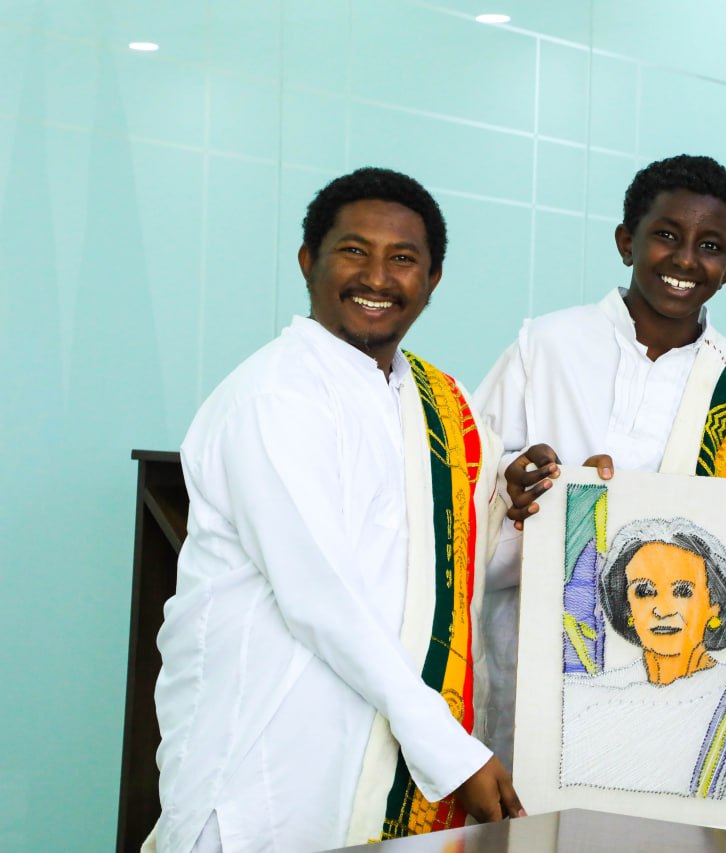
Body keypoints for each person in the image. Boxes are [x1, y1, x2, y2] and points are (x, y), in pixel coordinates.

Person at [149, 168, 522, 853]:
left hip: (374, 767)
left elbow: (453, 568)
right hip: (262, 762)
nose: (376, 277)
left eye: (402, 258)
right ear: (308, 262)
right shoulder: (276, 395)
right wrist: (452, 750)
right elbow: (320, 596)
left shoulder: (433, 402)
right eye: (354, 250)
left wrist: (526, 506)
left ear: (432, 280)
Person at [475, 154, 726, 769]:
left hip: (675, 697)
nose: (685, 260)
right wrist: (516, 490)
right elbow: (463, 498)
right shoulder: (544, 347)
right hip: (531, 663)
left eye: (710, 246)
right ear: (627, 241)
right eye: (666, 235)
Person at [560, 517, 726, 801]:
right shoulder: (581, 697)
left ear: (714, 605)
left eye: (682, 591)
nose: (662, 610)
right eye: (644, 592)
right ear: (627, 608)